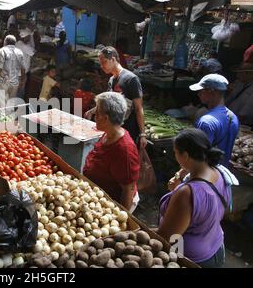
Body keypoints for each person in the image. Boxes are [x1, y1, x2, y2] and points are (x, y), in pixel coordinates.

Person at [158, 128, 231, 267]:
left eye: (175, 152)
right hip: (216, 247)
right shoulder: (218, 172)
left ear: (185, 155)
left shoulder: (186, 193)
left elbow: (168, 236)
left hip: (191, 259)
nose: (175, 156)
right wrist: (179, 178)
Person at [83, 92, 140, 212]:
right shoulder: (108, 133)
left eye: (97, 113)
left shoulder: (124, 150)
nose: (94, 116)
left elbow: (128, 190)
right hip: (98, 198)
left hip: (111, 206)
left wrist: (121, 218)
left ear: (106, 118)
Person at [85, 46, 147, 149]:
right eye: (100, 63)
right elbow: (108, 104)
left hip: (128, 131)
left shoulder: (131, 79)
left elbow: (138, 108)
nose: (101, 66)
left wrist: (143, 134)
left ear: (113, 59)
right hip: (114, 130)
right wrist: (92, 111)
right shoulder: (111, 80)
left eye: (103, 62)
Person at [189, 74, 239, 166]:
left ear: (211, 92)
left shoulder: (206, 121)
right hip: (222, 172)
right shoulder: (233, 117)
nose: (198, 94)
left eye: (201, 91)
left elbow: (198, 157)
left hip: (207, 174)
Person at [0, 35, 25, 107]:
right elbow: (23, 68)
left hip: (3, 81)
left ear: (5, 42)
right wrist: (22, 80)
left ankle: (3, 117)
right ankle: (9, 117)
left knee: (2, 104)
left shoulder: (2, 50)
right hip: (15, 82)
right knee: (10, 104)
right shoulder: (19, 52)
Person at [15, 28, 35, 99]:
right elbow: (34, 53)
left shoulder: (17, 43)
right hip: (21, 74)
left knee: (15, 91)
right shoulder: (25, 46)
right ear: (26, 37)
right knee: (20, 91)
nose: (30, 38)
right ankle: (18, 107)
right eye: (29, 37)